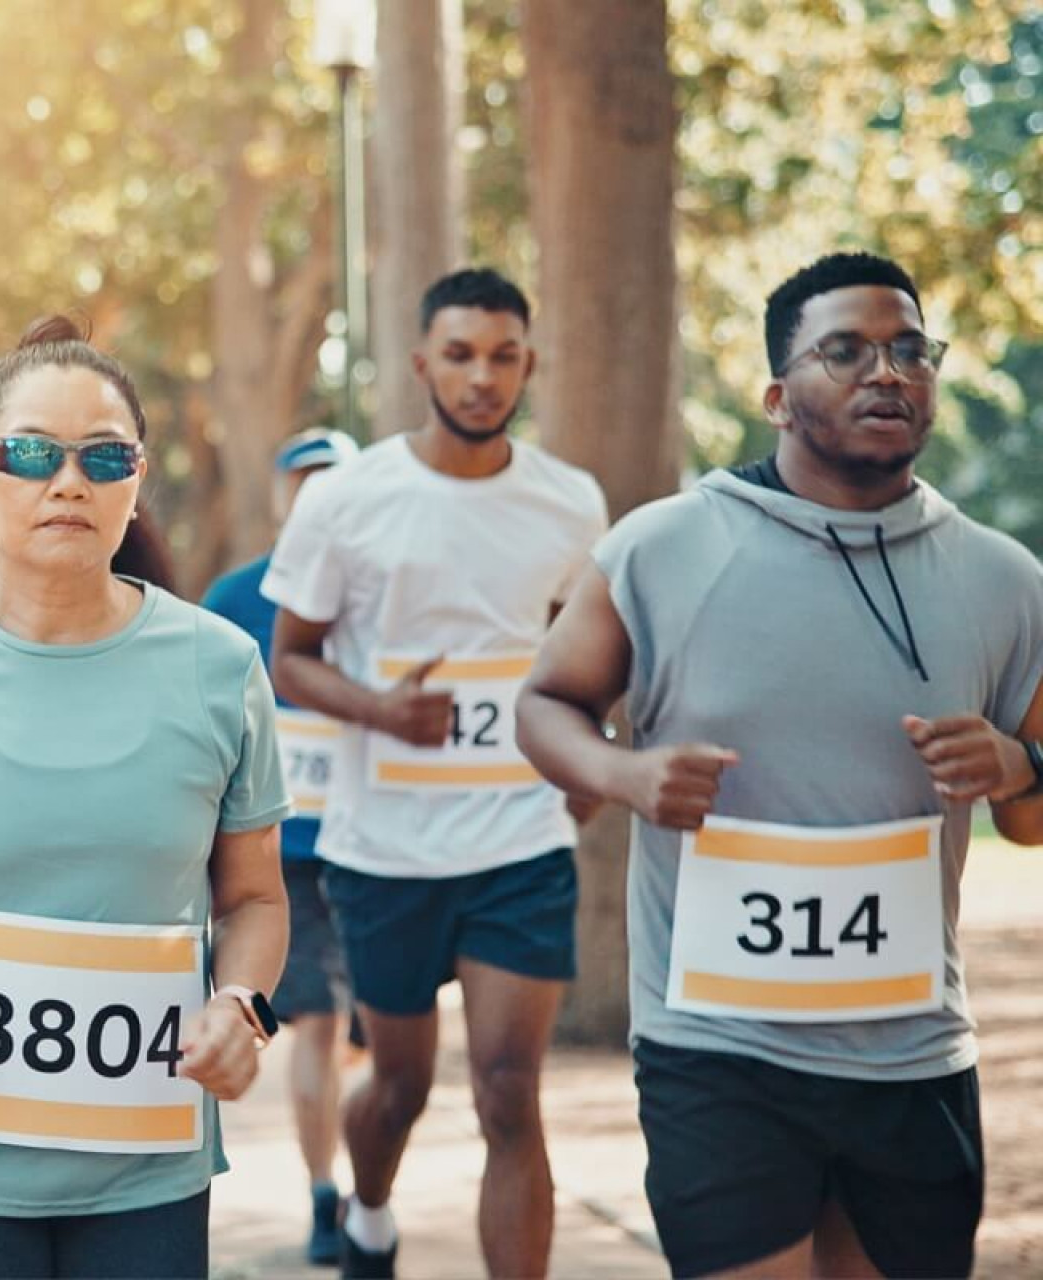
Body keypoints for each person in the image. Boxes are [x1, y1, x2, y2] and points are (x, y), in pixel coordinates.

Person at [516, 251, 1043, 1279]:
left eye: (909, 350)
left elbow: (1034, 817)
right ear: (774, 393)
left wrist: (1019, 766)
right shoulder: (664, 547)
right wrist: (625, 775)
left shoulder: (1003, 578)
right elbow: (544, 704)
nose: (885, 372)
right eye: (845, 351)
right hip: (719, 1045)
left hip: (913, 1050)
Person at [0, 316, 291, 1279]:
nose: (67, 481)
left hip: (147, 1160)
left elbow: (255, 900)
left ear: (136, 480)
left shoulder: (221, 668)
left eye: (103, 457)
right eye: (31, 454)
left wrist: (240, 1006)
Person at [266, 268, 608, 1278]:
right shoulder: (348, 498)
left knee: (510, 1087)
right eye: (459, 354)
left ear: (528, 365)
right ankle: (369, 1208)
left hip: (521, 839)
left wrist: (586, 754)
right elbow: (290, 657)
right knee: (404, 1086)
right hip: (386, 849)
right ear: (421, 363)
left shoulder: (569, 501)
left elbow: (582, 653)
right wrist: (381, 708)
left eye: (504, 355)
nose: (482, 375)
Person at [201, 426, 361, 1265]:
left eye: (337, 481)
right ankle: (326, 1193)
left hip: (386, 846)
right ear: (280, 496)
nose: (320, 497)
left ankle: (366, 1187)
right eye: (306, 482)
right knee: (322, 1028)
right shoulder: (233, 598)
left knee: (385, 1041)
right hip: (290, 850)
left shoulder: (390, 585)